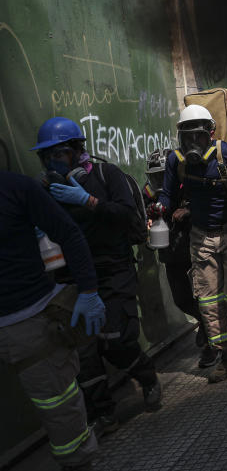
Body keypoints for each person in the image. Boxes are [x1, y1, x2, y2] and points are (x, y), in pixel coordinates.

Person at [32, 117, 161, 433]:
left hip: (112, 270)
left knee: (116, 340)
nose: (52, 162)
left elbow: (127, 215)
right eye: (46, 156)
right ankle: (103, 412)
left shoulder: (106, 175)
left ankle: (147, 376)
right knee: (83, 351)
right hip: (71, 277)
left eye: (59, 154)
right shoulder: (45, 192)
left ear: (77, 151)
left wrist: (88, 201)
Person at [156, 105, 227, 382]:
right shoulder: (176, 161)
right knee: (208, 300)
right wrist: (159, 209)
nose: (193, 143)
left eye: (198, 136)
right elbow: (168, 195)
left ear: (210, 133)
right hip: (201, 235)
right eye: (187, 137)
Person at [1, 171, 106, 470]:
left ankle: (79, 464)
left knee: (62, 414)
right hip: (24, 324)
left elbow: (68, 232)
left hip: (30, 323)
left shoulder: (14, 187)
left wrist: (88, 290)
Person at [143, 149, 219, 369]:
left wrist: (188, 211)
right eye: (156, 175)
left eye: (164, 174)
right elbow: (137, 214)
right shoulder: (149, 193)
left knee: (204, 297)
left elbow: (211, 206)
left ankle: (211, 345)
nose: (160, 180)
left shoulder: (191, 185)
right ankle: (205, 324)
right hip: (171, 254)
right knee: (182, 300)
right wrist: (147, 218)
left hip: (197, 249)